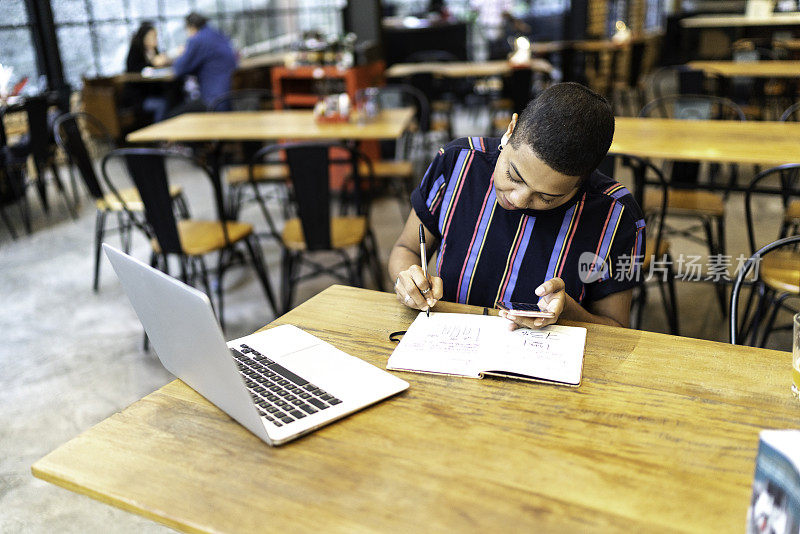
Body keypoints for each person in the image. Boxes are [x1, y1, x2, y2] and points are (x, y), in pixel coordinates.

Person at [389, 82, 645, 330]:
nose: (519, 200)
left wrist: (567, 310)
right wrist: (409, 281)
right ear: (510, 130)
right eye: (513, 176)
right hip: (451, 346)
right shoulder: (458, 164)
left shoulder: (616, 216)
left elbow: (617, 328)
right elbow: (406, 247)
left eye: (546, 198)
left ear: (583, 181)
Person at [171, 12, 237, 111]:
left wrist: (182, 53)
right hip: (230, 97)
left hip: (213, 100)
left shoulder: (197, 40)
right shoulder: (218, 34)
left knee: (170, 116)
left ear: (191, 27)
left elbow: (179, 69)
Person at [125, 22, 171, 122]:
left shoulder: (154, 51)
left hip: (156, 92)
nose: (155, 40)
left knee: (172, 98)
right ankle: (159, 135)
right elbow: (135, 71)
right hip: (140, 97)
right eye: (152, 37)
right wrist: (153, 64)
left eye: (155, 37)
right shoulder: (135, 51)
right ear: (144, 37)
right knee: (162, 104)